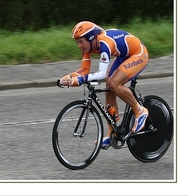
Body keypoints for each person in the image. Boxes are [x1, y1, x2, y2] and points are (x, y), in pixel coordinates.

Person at [59, 21, 149, 149]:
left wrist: (80, 80)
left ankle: (140, 111)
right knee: (109, 89)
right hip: (124, 56)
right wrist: (70, 77)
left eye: (80, 42)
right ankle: (111, 134)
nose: (79, 45)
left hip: (138, 54)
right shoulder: (88, 46)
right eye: (77, 42)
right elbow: (84, 70)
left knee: (113, 83)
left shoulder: (104, 43)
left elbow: (101, 74)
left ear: (91, 38)